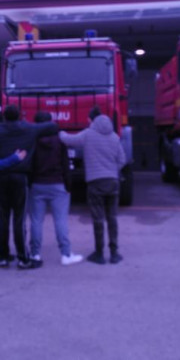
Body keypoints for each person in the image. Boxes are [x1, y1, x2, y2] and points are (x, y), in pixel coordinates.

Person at [0, 104, 58, 269]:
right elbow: (53, 126)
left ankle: (1, 257)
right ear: (19, 116)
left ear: (4, 117)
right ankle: (23, 259)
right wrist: (32, 125)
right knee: (19, 219)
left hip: (0, 179)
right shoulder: (29, 129)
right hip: (20, 178)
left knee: (3, 219)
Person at [59, 106, 126, 265]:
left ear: (91, 120)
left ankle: (99, 253)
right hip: (113, 182)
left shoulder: (88, 134)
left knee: (98, 219)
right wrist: (111, 170)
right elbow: (122, 160)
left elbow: (68, 140)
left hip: (95, 183)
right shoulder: (115, 137)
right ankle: (114, 253)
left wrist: (59, 131)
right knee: (112, 218)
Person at [29, 111, 83, 267]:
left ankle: (35, 254)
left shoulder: (33, 140)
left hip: (37, 184)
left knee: (36, 221)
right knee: (60, 220)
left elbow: (29, 164)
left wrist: (30, 182)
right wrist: (68, 185)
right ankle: (66, 254)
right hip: (58, 184)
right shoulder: (59, 140)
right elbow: (66, 165)